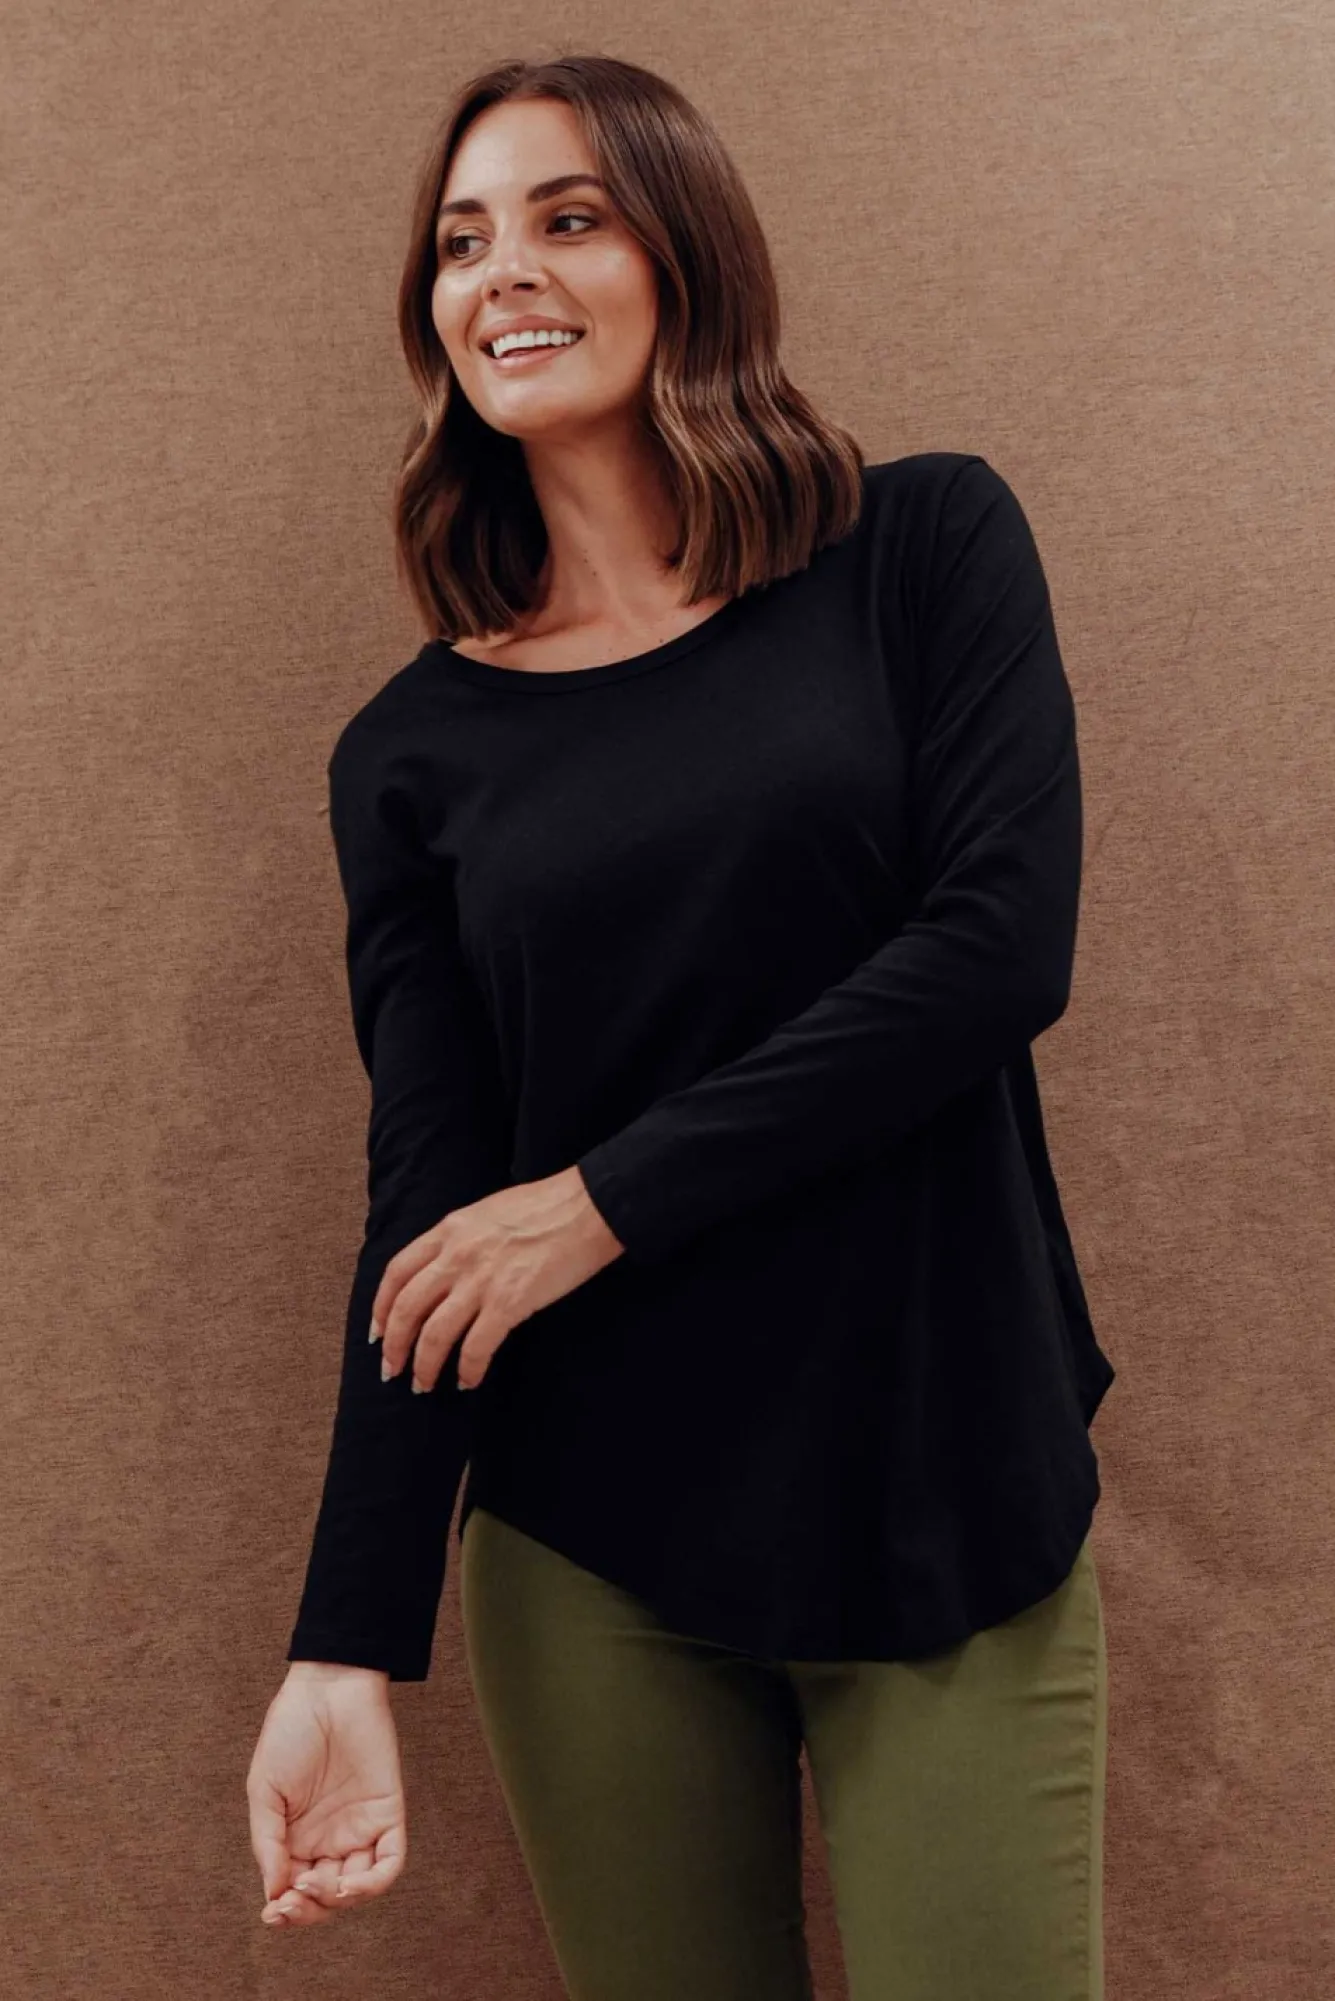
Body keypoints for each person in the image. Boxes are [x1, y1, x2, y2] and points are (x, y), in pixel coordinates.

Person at [246, 52, 1115, 2001]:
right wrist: (344, 1646)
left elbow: (994, 952)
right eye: (461, 241)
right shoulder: (410, 754)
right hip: (595, 1545)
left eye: (568, 217)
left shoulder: (921, 552)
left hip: (943, 1473)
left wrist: (600, 1204)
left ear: (685, 254)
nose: (503, 271)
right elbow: (432, 1204)